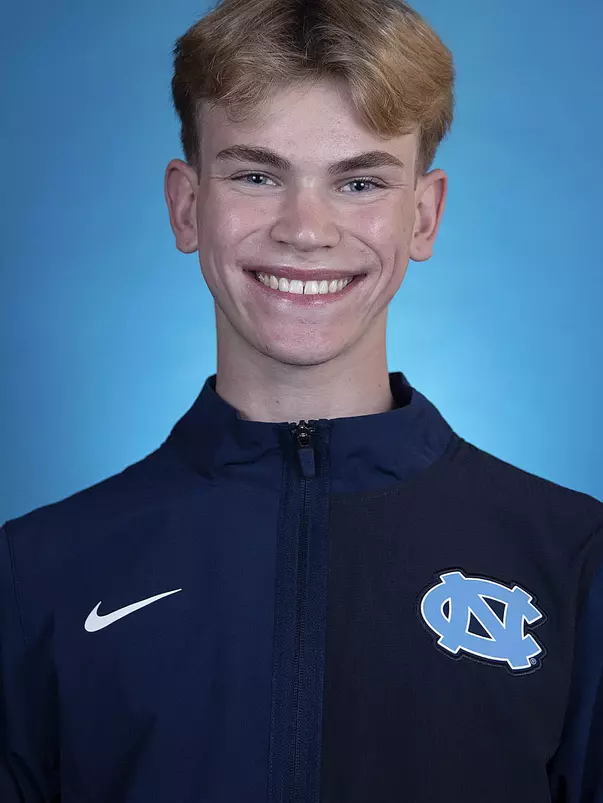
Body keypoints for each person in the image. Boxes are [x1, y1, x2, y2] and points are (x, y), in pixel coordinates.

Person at [1, 0, 602, 800]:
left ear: (422, 216)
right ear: (187, 205)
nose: (305, 229)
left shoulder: (574, 560)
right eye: (256, 174)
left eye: (358, 181)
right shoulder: (37, 573)